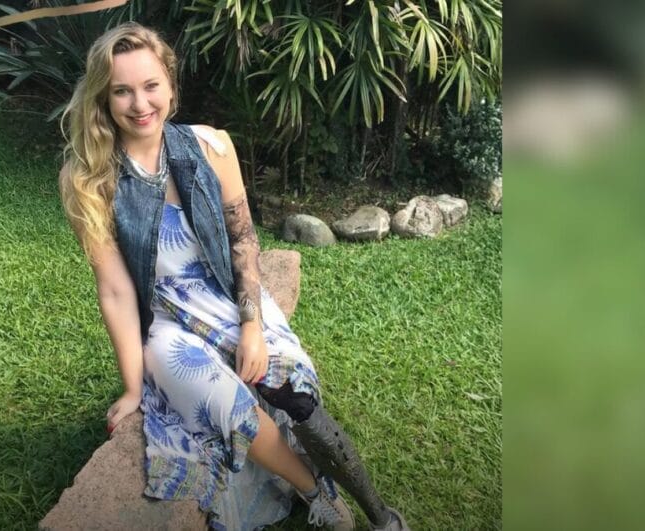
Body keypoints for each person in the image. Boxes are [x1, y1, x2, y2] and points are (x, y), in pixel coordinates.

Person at [58, 21, 409, 531]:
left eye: (151, 85)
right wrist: (133, 388)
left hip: (227, 295)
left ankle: (380, 514)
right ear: (103, 98)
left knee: (292, 390)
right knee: (225, 403)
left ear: (171, 85)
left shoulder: (212, 148)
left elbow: (244, 242)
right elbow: (114, 290)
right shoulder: (89, 180)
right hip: (167, 322)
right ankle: (315, 493)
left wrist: (251, 327)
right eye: (122, 91)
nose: (140, 104)